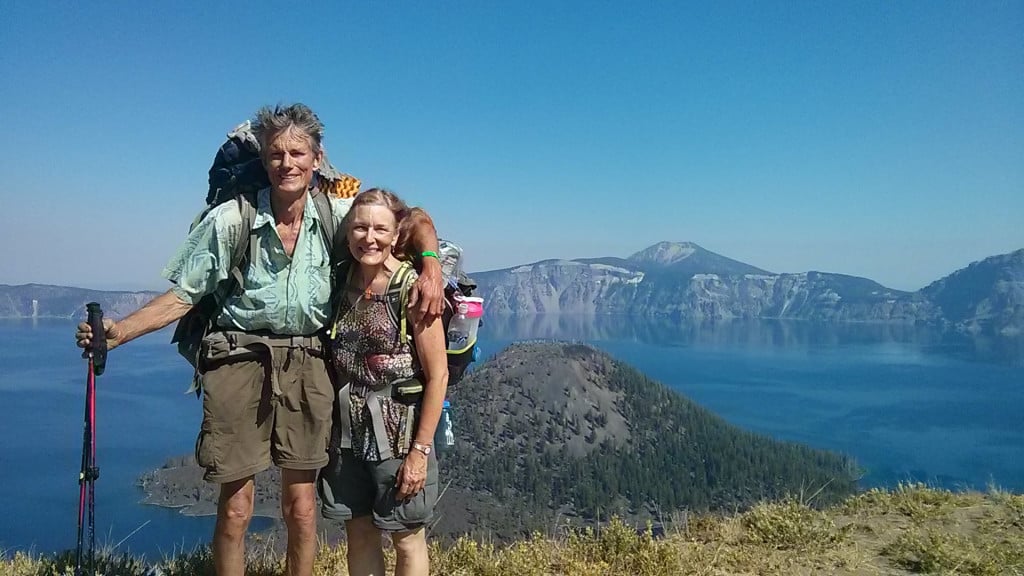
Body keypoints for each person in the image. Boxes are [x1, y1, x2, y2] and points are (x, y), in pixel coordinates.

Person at [75, 104, 445, 576]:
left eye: (297, 152)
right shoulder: (234, 218)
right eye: (276, 154)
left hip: (308, 358)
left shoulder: (335, 213)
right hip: (239, 357)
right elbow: (186, 293)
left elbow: (408, 216)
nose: (286, 164)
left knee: (302, 507)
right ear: (264, 159)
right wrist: (121, 331)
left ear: (316, 158)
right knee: (234, 507)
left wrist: (430, 263)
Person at [318, 189, 449, 576]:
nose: (369, 238)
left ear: (395, 235)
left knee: (406, 538)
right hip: (346, 435)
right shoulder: (342, 279)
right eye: (360, 227)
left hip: (398, 434)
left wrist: (419, 453)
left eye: (379, 229)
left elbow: (437, 374)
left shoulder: (413, 289)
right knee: (358, 533)